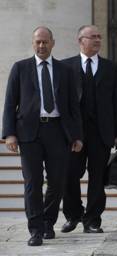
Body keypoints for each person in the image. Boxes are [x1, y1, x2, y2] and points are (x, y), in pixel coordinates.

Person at [2, 26, 83, 246]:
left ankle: (48, 221)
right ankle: (36, 229)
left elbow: (73, 107)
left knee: (57, 182)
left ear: (52, 43)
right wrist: (9, 134)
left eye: (45, 42)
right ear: (33, 43)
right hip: (29, 133)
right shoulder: (20, 68)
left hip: (58, 131)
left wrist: (77, 136)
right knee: (32, 183)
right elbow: (10, 103)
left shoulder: (65, 70)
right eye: (37, 42)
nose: (41, 45)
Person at [60, 25, 117, 234]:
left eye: (99, 36)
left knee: (97, 178)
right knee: (69, 174)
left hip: (101, 132)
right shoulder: (65, 67)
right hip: (73, 134)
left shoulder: (112, 68)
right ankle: (73, 215)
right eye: (93, 37)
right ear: (81, 40)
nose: (98, 40)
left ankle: (93, 220)